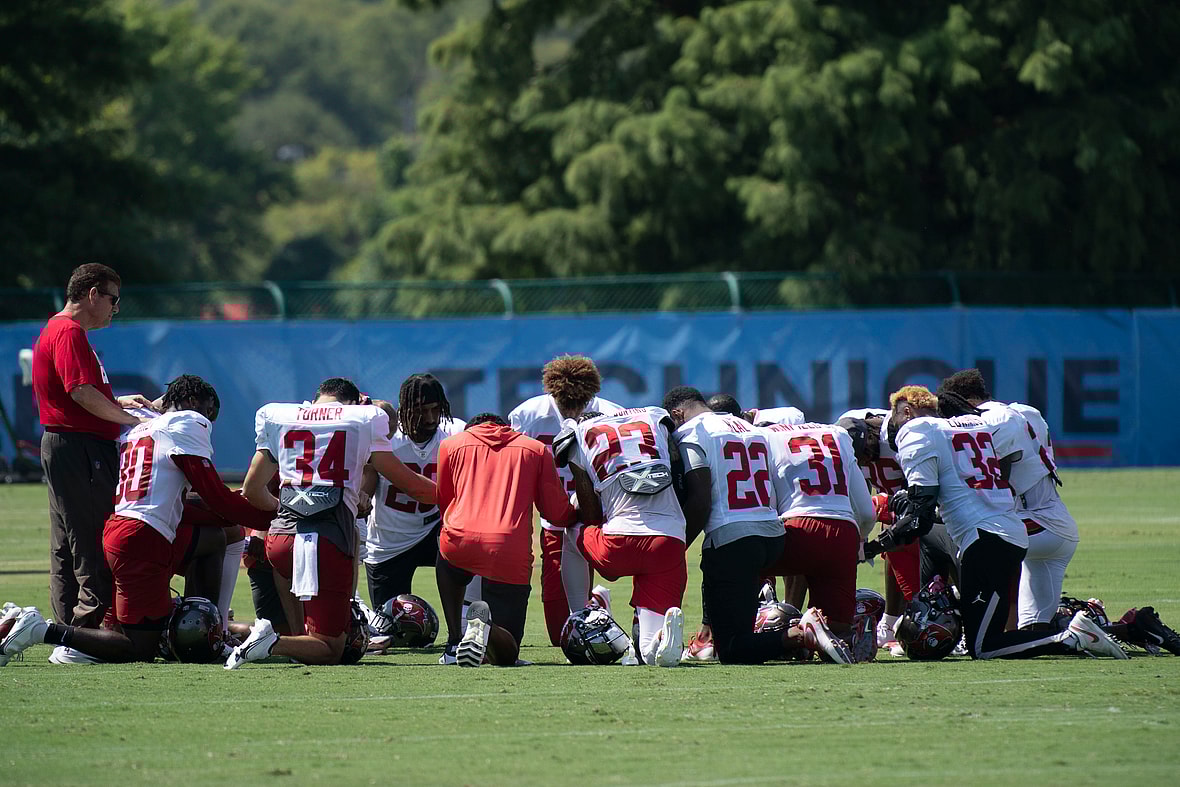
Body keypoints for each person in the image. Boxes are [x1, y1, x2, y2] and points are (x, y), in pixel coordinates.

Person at [2, 376, 271, 664]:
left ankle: (200, 632)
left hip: (126, 530)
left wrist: (234, 520)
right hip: (143, 538)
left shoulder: (141, 426)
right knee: (139, 647)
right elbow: (215, 495)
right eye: (208, 411)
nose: (208, 419)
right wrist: (271, 518)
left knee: (213, 539)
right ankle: (43, 631)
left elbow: (179, 501)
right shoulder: (188, 421)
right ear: (193, 402)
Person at [884, 385, 1125, 660]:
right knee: (1010, 631)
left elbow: (925, 516)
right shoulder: (993, 422)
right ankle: (1106, 631)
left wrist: (875, 545)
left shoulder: (937, 429)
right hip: (1015, 528)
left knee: (984, 646)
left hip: (997, 533)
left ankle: (1071, 636)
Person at [226, 378, 436, 668]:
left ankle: (279, 639)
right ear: (351, 402)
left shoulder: (279, 416)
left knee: (307, 635)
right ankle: (271, 641)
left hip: (281, 540)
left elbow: (251, 489)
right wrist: (456, 494)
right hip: (328, 539)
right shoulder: (362, 418)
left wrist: (285, 508)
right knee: (330, 649)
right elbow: (412, 485)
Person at [664, 386, 849, 664]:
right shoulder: (751, 428)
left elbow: (701, 500)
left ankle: (801, 633)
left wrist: (677, 546)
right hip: (772, 533)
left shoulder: (692, 432)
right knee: (735, 633)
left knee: (733, 649)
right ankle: (792, 633)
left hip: (733, 539)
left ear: (677, 414)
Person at [31, 263, 156, 631]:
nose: (115, 308)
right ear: (91, 295)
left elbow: (79, 393)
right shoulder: (69, 331)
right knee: (92, 542)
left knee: (67, 544)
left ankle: (67, 631)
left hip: (68, 444)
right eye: (113, 300)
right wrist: (130, 420)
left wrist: (117, 403)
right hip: (79, 447)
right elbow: (80, 392)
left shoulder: (61, 329)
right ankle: (87, 632)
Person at [938, 370, 1078, 630]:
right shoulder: (1025, 411)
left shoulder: (993, 419)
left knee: (955, 540)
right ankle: (1121, 629)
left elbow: (998, 482)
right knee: (1035, 631)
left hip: (1036, 521)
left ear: (967, 400)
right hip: (1055, 523)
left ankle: (962, 622)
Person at [434, 413, 578, 667]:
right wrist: (577, 513)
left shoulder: (451, 445)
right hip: (508, 547)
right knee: (507, 654)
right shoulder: (535, 449)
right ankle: (486, 628)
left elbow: (444, 501)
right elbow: (554, 512)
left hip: (460, 539)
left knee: (447, 559)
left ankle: (454, 639)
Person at [556, 406, 687, 667]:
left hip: (618, 543)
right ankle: (662, 639)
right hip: (668, 541)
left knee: (572, 530)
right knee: (648, 651)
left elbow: (591, 514)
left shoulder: (580, 433)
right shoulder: (653, 417)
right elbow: (678, 473)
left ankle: (580, 616)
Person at [508, 355, 622, 646]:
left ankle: (596, 605)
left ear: (591, 395)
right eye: (565, 403)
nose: (572, 410)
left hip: (597, 514)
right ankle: (595, 603)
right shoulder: (528, 415)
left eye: (579, 403)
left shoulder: (612, 414)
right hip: (555, 515)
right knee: (561, 635)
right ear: (552, 393)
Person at [760, 421, 876, 658]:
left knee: (735, 565)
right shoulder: (838, 434)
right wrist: (859, 542)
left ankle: (787, 633)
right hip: (843, 532)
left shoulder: (765, 436)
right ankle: (827, 631)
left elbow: (766, 506)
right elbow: (866, 513)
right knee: (835, 634)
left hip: (795, 528)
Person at [362, 374, 468, 610]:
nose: (430, 418)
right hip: (391, 536)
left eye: (435, 409)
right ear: (404, 410)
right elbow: (368, 476)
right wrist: (363, 497)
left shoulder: (455, 433)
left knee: (474, 548)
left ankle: (464, 620)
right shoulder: (387, 436)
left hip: (437, 527)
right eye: (421, 410)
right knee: (389, 619)